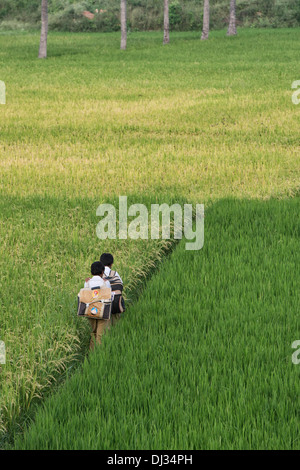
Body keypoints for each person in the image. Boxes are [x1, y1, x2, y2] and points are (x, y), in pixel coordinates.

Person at [84, 261, 111, 350]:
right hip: (102, 311)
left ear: (92, 272)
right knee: (100, 335)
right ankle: (99, 354)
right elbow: (109, 297)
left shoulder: (87, 283)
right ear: (102, 272)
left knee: (93, 333)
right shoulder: (105, 283)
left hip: (90, 311)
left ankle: (91, 354)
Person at [100, 252, 125, 326]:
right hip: (116, 303)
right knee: (116, 324)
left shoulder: (100, 274)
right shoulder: (115, 273)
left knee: (106, 327)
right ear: (111, 264)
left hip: (104, 305)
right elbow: (121, 285)